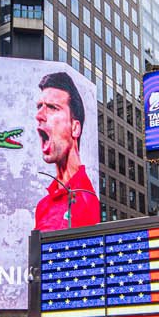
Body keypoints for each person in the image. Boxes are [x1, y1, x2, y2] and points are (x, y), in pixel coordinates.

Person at [34, 72, 100, 231]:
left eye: (51, 107)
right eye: (39, 107)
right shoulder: (43, 205)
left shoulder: (85, 198)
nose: (39, 115)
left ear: (75, 128)